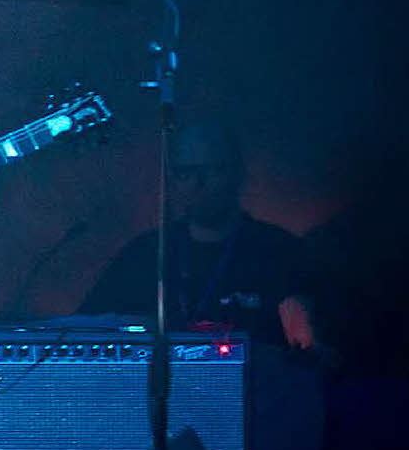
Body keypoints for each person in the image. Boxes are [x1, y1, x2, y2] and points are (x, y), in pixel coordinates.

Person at [78, 120, 313, 348]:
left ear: (237, 174)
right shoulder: (146, 253)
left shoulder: (278, 251)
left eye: (213, 171)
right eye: (186, 173)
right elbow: (81, 329)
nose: (198, 184)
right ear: (173, 180)